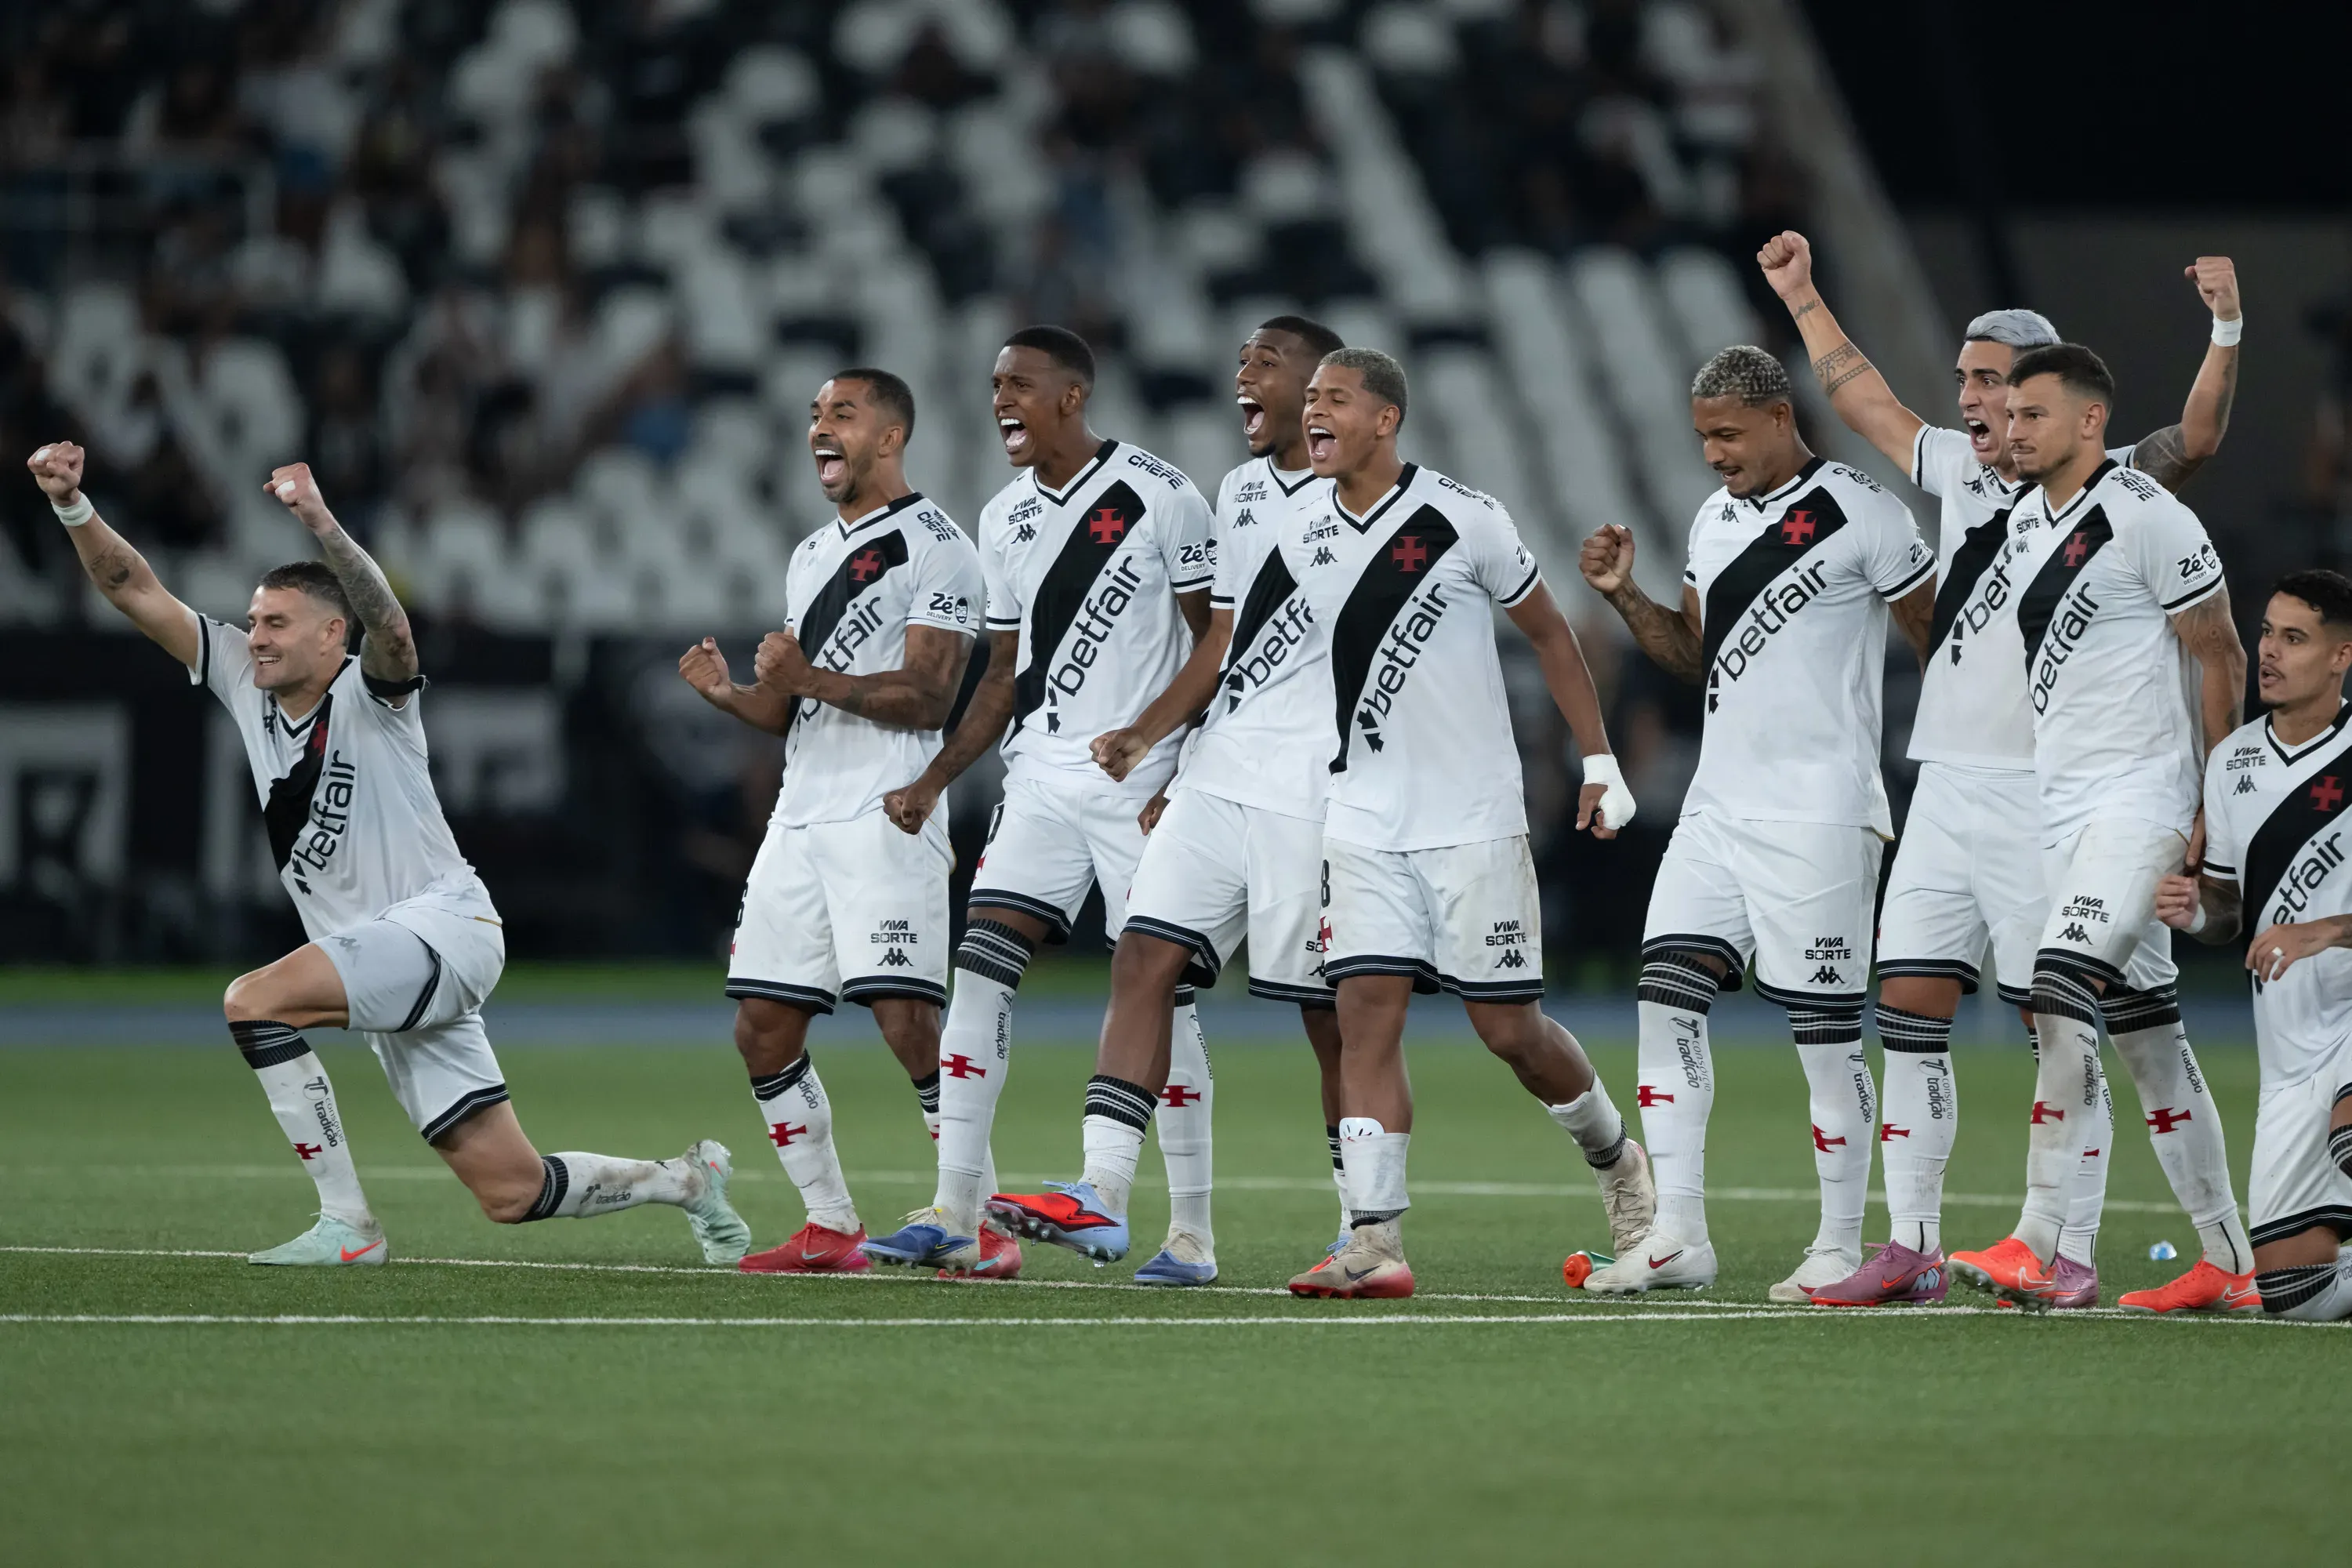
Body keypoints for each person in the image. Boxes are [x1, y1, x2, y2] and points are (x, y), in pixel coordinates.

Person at [25, 441, 750, 1266]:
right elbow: (133, 586)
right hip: (381, 955)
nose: (255, 637)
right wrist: (72, 505)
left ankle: (349, 1224)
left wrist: (322, 523)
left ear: (333, 634)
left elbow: (395, 629)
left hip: (441, 926)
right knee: (512, 1191)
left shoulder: (371, 692)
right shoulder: (237, 675)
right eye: (253, 622)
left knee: (254, 1002)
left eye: (276, 623)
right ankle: (684, 1182)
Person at [1757, 231, 2244, 1307]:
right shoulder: (1971, 477)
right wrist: (1801, 296)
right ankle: (1916, 1245)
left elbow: (2198, 445)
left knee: (2070, 1014)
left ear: (2053, 400)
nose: (1978, 404)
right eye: (1971, 384)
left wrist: (2225, 327)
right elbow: (1862, 398)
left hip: (2065, 795)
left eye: (1999, 385)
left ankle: (2066, 1244)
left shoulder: (2117, 493)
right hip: (1951, 782)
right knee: (1917, 1006)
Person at [983, 315, 1352, 1284]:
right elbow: (1221, 640)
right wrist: (1157, 741)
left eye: (1267, 362)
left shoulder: (1382, 504)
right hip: (1222, 775)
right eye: (1241, 360)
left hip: (1317, 788)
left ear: (1324, 388)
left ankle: (1367, 1223)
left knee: (1332, 1016)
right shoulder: (1239, 491)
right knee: (1145, 958)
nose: (1244, 375)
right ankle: (1102, 1190)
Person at [1276, 347, 1650, 1301]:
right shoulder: (1298, 526)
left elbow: (1551, 633)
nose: (1312, 411)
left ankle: (1617, 1159)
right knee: (1364, 1018)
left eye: (1333, 398)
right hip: (1361, 816)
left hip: (1472, 818)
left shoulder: (1464, 516)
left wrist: (1598, 761)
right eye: (1308, 398)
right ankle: (1374, 1237)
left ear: (1385, 418)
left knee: (1509, 1029)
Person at [1579, 346, 1937, 1299]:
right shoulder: (1715, 517)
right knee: (1665, 995)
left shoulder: (1865, 512)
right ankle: (1678, 1235)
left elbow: (1938, 640)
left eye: (1728, 434)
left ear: (1781, 417)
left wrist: (1961, 775)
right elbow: (1697, 652)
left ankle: (1838, 1243)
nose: (1714, 454)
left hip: (1821, 811)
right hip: (1717, 807)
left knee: (1825, 1033)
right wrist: (1625, 596)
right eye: (1703, 437)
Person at [859, 326, 1219, 1275]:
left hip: (1143, 779)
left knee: (1163, 993)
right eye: (994, 385)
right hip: (1042, 778)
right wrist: (935, 778)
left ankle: (1190, 1232)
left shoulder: (1162, 495)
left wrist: (1182, 770)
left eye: (1020, 383)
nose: (1000, 400)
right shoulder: (1004, 515)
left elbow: (1215, 647)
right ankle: (956, 1209)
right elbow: (1002, 673)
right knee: (979, 966)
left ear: (1072, 395)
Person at [1956, 343, 2253, 1312]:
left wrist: (2219, 803)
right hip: (2064, 807)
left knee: (2057, 988)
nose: (2012, 429)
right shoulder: (2024, 521)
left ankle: (2042, 1241)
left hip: (2143, 799)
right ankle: (2231, 1259)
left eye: (2033, 413)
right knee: (2147, 1033)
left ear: (2091, 421)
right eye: (2010, 414)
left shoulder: (2147, 513)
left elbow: (2221, 653)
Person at [678, 369, 994, 1274]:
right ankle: (830, 1223)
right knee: (762, 1027)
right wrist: (733, 695)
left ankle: (979, 1221)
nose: (820, 426)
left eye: (842, 413)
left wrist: (808, 677)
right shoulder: (814, 551)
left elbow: (930, 696)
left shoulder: (939, 547)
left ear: (890, 436)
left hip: (886, 808)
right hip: (801, 814)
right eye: (815, 413)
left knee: (906, 1020)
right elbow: (791, 710)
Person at [2160, 571, 2352, 1320]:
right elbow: (2227, 915)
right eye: (2267, 632)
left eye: (2294, 639)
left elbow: (2311, 929)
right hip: (2291, 1050)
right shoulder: (2232, 762)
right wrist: (2193, 914)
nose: (2269, 652)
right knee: (2294, 1295)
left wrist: (2328, 930)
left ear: (2341, 657)